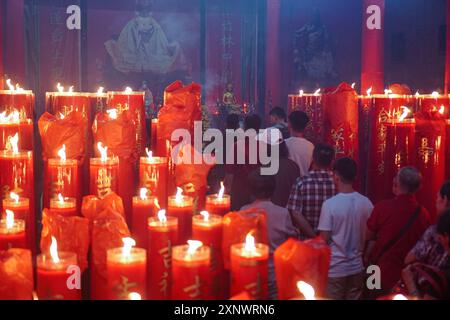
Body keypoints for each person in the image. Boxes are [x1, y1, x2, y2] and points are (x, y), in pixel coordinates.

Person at [364, 167, 431, 297]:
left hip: (378, 271)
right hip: (407, 278)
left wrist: (366, 257)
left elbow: (368, 236)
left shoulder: (382, 207)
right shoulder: (424, 214)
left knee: (372, 296)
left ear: (397, 183)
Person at [318, 157, 373, 300]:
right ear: (355, 176)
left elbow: (323, 239)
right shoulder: (366, 203)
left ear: (336, 176)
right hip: (357, 267)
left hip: (335, 268)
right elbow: (372, 236)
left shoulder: (330, 205)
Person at [241, 169, 298, 300]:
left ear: (251, 190)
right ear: (273, 189)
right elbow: (292, 241)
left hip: (251, 273)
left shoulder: (242, 212)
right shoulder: (282, 213)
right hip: (274, 274)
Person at [400, 182, 450, 298]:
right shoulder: (423, 213)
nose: (435, 202)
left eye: (437, 197)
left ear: (445, 200)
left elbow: (408, 259)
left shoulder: (435, 231)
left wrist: (411, 285)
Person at [287, 143, 336, 239]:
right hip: (333, 241)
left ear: (313, 159)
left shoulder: (302, 182)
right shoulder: (338, 183)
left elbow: (295, 213)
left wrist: (315, 237)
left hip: (307, 242)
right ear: (332, 161)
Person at [225, 114, 262, 210]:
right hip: (259, 189)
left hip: (240, 188)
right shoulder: (265, 146)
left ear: (245, 127)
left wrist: (227, 190)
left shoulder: (237, 145)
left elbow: (230, 171)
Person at [285, 111, 314, 178]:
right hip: (305, 183)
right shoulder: (311, 146)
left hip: (288, 182)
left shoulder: (284, 144)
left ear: (289, 124)